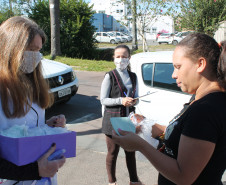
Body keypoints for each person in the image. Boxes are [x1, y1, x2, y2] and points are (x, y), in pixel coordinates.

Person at [112, 34, 226, 185]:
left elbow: (183, 176)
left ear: (200, 64)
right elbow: (188, 134)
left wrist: (140, 145)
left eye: (178, 67)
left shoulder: (205, 110)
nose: (173, 75)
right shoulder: (201, 99)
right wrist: (149, 127)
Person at [0, 16, 66, 184]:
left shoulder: (31, 82)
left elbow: (23, 128)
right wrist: (34, 170)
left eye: (38, 50)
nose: (36, 56)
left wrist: (45, 128)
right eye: (31, 49)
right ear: (10, 49)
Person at [100, 45, 143, 185]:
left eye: (124, 56)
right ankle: (112, 182)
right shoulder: (109, 76)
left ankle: (134, 181)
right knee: (112, 153)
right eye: (117, 56)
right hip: (112, 119)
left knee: (130, 152)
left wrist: (134, 102)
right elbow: (103, 100)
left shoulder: (133, 76)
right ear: (113, 58)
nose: (121, 59)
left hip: (128, 119)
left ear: (129, 58)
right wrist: (121, 100)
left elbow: (136, 97)